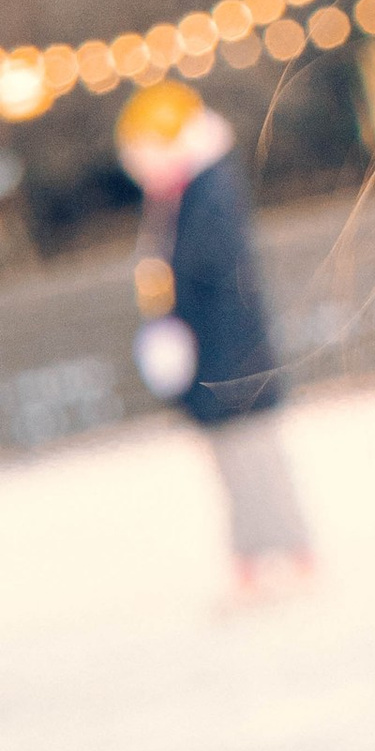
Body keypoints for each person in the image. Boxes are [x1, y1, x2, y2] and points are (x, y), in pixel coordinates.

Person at [120, 80, 314, 600]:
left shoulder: (209, 193)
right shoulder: (180, 197)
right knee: (235, 465)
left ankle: (291, 554)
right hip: (212, 364)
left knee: (257, 460)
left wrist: (214, 366)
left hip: (233, 362)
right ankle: (253, 558)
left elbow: (220, 288)